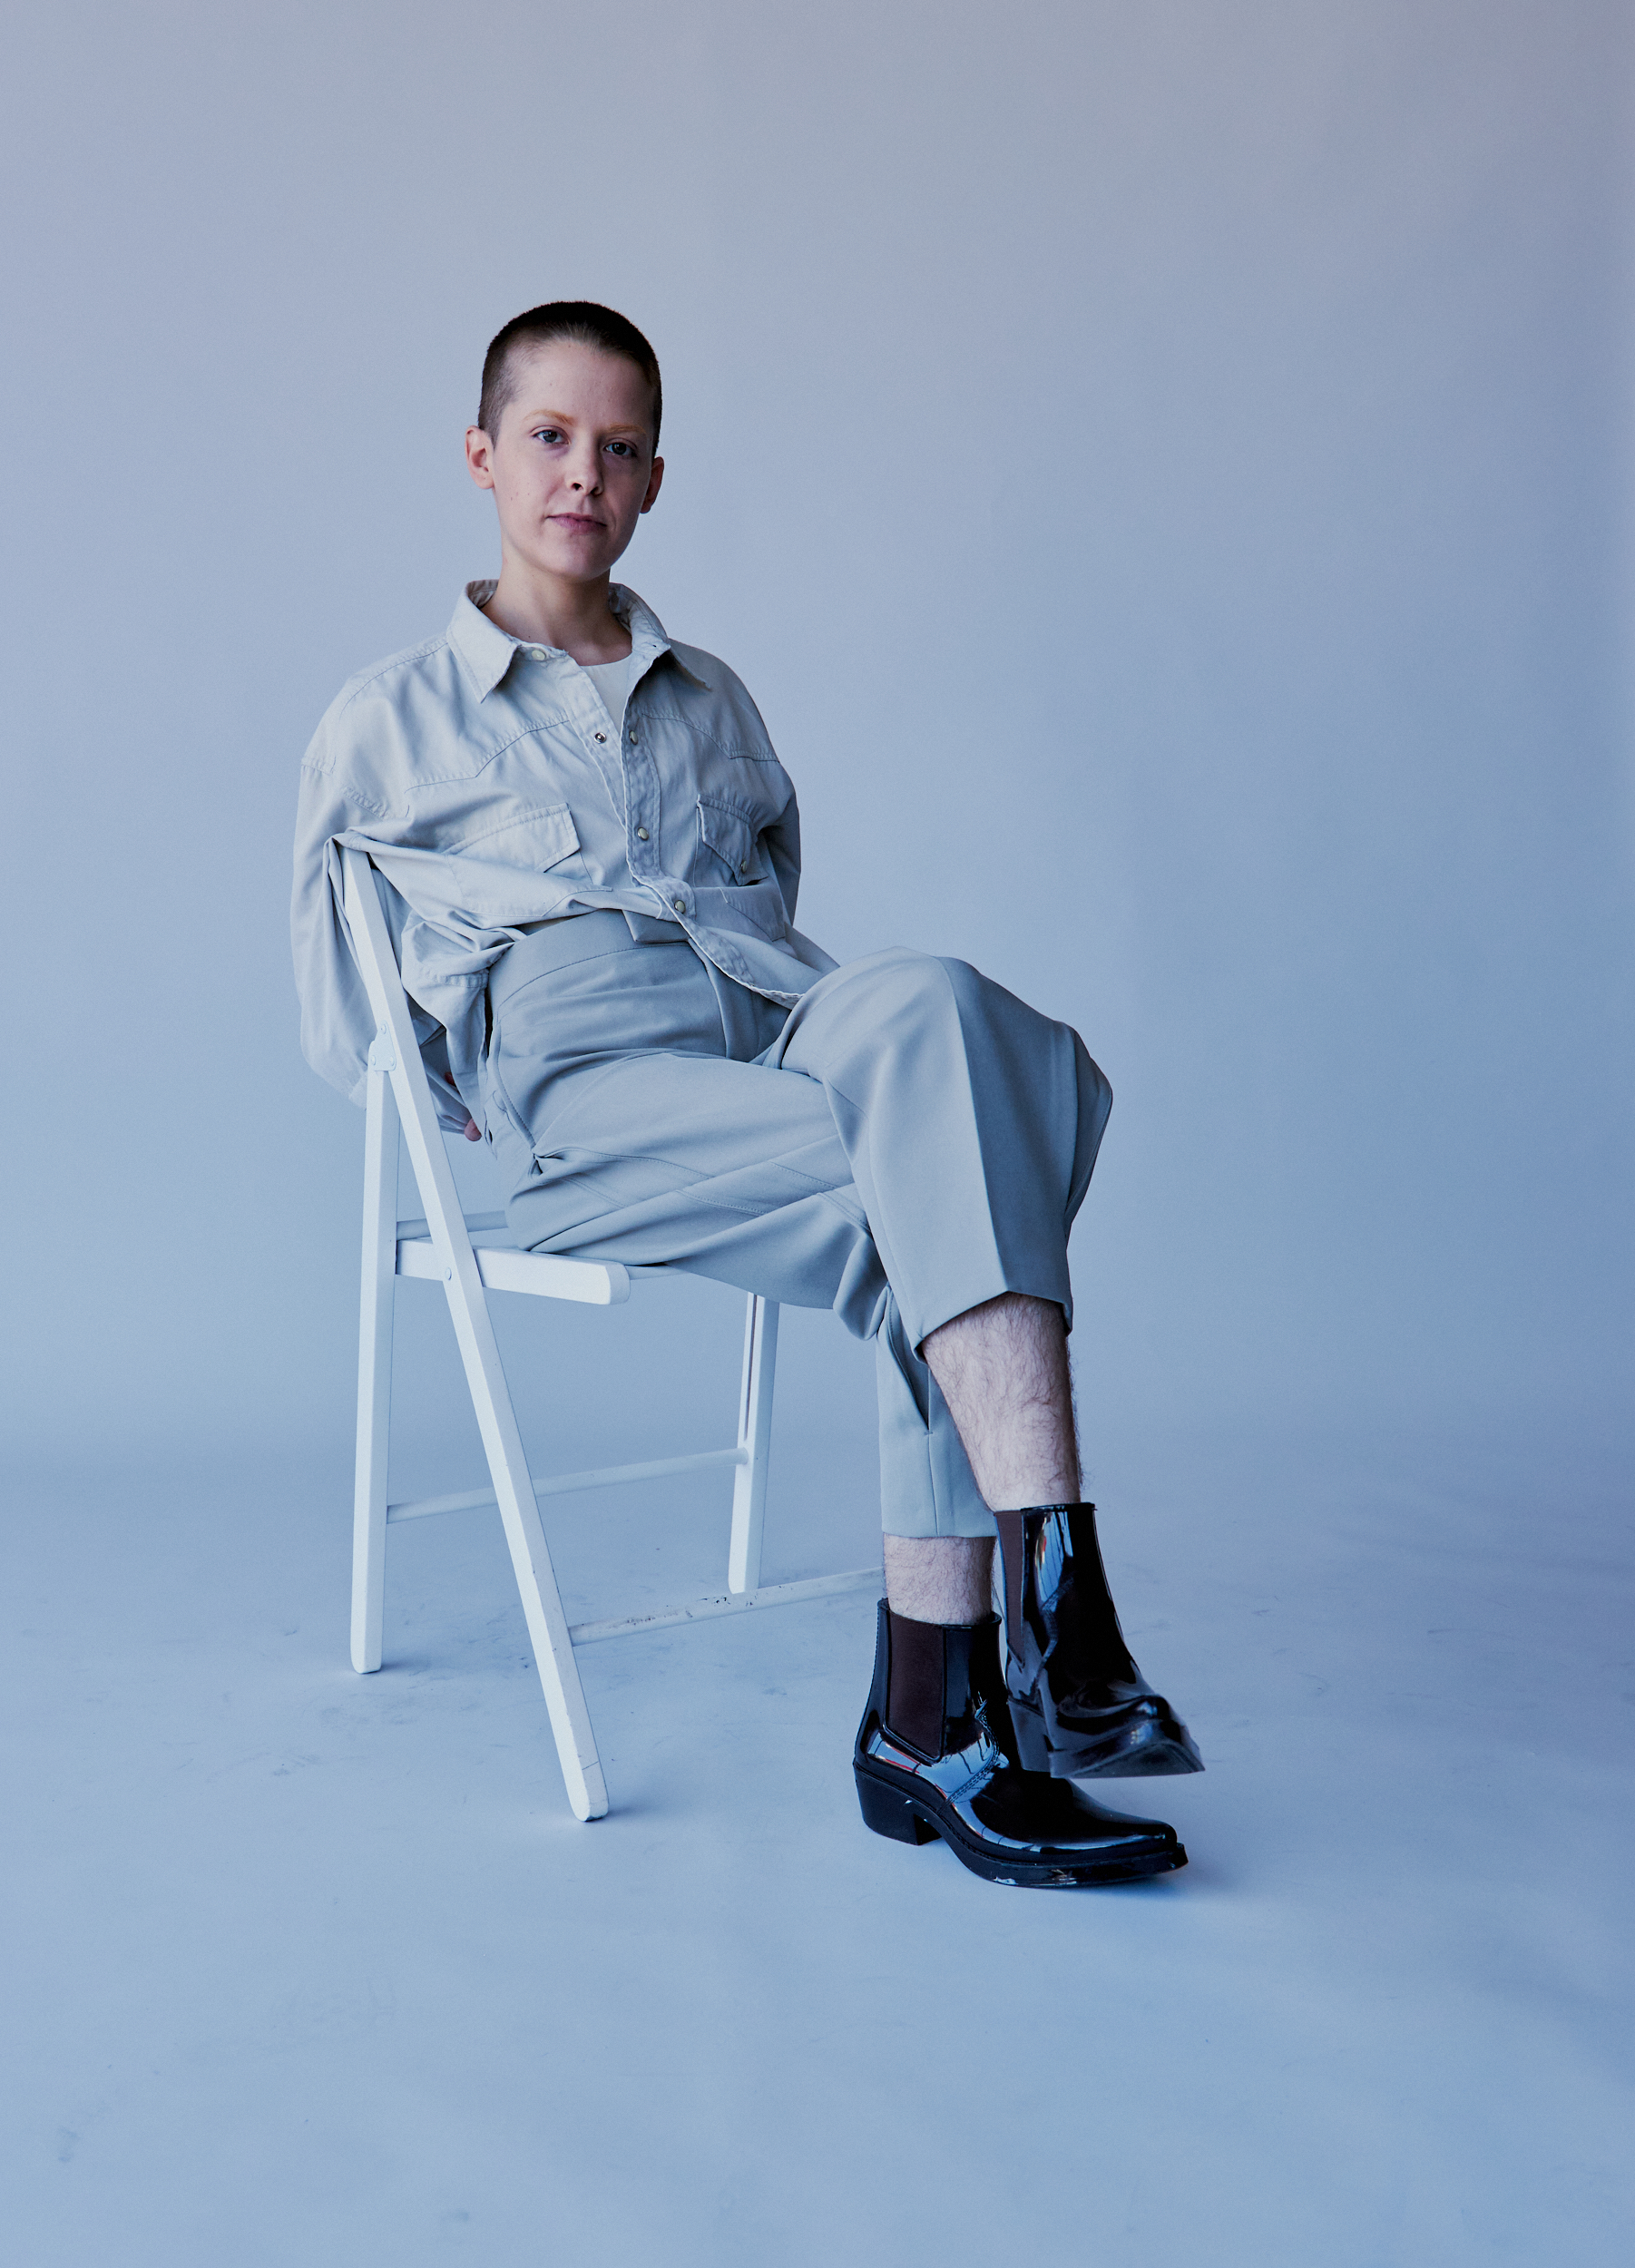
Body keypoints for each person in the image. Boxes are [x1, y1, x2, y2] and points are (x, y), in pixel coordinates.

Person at [292, 302, 1203, 1889]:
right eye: (551, 438)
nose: (584, 473)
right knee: (950, 1187)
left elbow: (777, 890)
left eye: (620, 446)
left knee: (941, 1005)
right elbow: (336, 988)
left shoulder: (709, 694)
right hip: (593, 1087)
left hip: (762, 1035)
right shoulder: (391, 716)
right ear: (483, 456)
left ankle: (1007, 1654)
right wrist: (444, 1080)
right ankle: (981, 1683)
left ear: (655, 478)